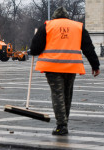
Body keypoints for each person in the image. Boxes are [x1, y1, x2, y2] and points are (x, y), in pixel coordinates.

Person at [30, 7, 100, 136]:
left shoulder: (47, 26)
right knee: (67, 95)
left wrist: (33, 48)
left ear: (55, 17)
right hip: (71, 66)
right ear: (67, 17)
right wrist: (95, 65)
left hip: (52, 67)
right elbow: (88, 47)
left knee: (58, 95)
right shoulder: (78, 27)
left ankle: (61, 125)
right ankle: (64, 122)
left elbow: (35, 49)